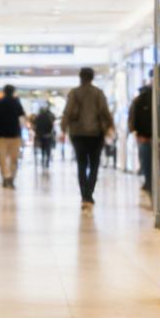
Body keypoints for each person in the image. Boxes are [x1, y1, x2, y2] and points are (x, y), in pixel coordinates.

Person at [60, 67, 113, 211]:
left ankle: (85, 195)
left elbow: (68, 111)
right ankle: (89, 192)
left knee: (82, 163)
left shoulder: (74, 93)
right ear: (92, 77)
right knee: (95, 164)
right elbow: (105, 112)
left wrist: (63, 127)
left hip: (78, 133)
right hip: (96, 134)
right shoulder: (98, 93)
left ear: (80, 77)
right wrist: (109, 126)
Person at [0, 85, 27, 189]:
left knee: (2, 159)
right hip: (15, 135)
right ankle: (11, 179)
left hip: (1, 136)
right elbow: (22, 117)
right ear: (13, 92)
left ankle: (6, 177)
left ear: (4, 92)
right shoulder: (16, 102)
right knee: (14, 159)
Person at [128, 83, 153, 193]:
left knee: (145, 160)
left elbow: (132, 118)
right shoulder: (158, 98)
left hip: (143, 137)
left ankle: (148, 182)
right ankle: (153, 182)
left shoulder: (138, 100)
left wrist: (134, 131)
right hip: (154, 136)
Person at [31, 103, 56, 169]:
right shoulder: (48, 117)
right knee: (48, 148)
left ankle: (42, 159)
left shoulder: (38, 117)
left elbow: (34, 125)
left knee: (42, 147)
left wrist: (37, 132)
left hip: (40, 135)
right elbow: (51, 125)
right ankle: (47, 161)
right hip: (47, 135)